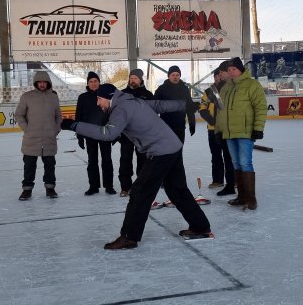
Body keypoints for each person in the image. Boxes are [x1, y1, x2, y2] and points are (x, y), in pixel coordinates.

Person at [60, 84, 211, 250]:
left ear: (109, 97)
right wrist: (184, 104)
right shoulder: (131, 100)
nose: (97, 103)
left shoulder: (121, 108)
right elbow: (158, 105)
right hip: (171, 146)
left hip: (160, 151)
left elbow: (108, 133)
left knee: (140, 193)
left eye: (99, 99)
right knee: (177, 189)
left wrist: (74, 125)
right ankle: (200, 226)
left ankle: (129, 237)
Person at [217, 57, 266, 210]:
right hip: (230, 132)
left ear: (241, 70)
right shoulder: (225, 88)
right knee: (236, 164)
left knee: (245, 163)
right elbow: (220, 111)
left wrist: (258, 128)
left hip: (245, 131)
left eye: (234, 69)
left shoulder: (252, 84)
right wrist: (219, 130)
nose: (231, 72)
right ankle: (241, 196)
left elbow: (260, 107)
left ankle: (251, 199)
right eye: (229, 69)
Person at [15, 71, 62, 200]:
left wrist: (56, 129)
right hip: (31, 139)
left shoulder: (53, 97)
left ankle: (50, 188)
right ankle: (27, 190)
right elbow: (19, 114)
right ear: (36, 83)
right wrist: (27, 129)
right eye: (40, 82)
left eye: (44, 82)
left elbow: (58, 116)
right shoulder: (27, 97)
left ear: (48, 83)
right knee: (29, 166)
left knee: (50, 165)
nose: (42, 84)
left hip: (49, 138)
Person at [198, 61, 235, 196]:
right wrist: (214, 121)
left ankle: (233, 181)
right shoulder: (208, 92)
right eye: (216, 76)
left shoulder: (231, 90)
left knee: (229, 156)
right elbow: (202, 109)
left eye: (220, 75)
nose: (218, 78)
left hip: (227, 129)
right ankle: (217, 180)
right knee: (216, 155)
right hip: (212, 129)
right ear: (214, 78)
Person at [76, 71, 115, 195]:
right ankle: (93, 186)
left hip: (105, 133)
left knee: (107, 160)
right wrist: (80, 136)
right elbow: (79, 117)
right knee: (92, 160)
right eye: (91, 81)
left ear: (99, 82)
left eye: (96, 81)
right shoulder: (82, 97)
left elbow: (113, 114)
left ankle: (109, 186)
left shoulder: (106, 96)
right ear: (88, 83)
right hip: (90, 133)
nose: (93, 83)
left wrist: (115, 133)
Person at [117, 68, 153, 197]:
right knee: (125, 161)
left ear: (140, 80)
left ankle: (140, 186)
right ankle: (125, 187)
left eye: (135, 78)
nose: (133, 80)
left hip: (142, 134)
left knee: (143, 161)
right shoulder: (121, 94)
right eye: (131, 78)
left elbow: (153, 114)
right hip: (126, 134)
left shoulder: (148, 95)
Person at [153, 65, 195, 143]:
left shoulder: (185, 89)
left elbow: (189, 107)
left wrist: (192, 124)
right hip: (165, 126)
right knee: (167, 151)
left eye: (177, 75)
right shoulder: (161, 89)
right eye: (173, 75)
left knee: (178, 150)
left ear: (180, 76)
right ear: (169, 76)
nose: (175, 77)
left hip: (180, 126)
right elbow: (154, 106)